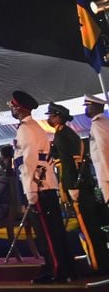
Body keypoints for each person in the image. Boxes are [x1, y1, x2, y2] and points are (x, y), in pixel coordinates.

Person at [11, 90, 73, 283]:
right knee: (54, 230)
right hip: (45, 185)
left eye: (12, 106)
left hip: (38, 187)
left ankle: (56, 271)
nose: (12, 109)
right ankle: (64, 268)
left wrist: (30, 190)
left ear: (19, 108)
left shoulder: (25, 129)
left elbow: (29, 159)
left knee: (47, 233)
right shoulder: (33, 126)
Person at [48, 102, 109, 273]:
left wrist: (72, 186)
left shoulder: (62, 135)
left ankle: (99, 265)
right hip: (82, 184)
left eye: (51, 116)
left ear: (58, 116)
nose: (49, 119)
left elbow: (69, 163)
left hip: (77, 185)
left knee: (88, 228)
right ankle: (101, 261)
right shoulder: (66, 133)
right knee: (91, 225)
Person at [84, 94, 109, 203]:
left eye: (88, 106)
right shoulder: (104, 122)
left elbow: (104, 148)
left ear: (96, 107)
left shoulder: (98, 124)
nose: (86, 109)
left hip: (105, 171)